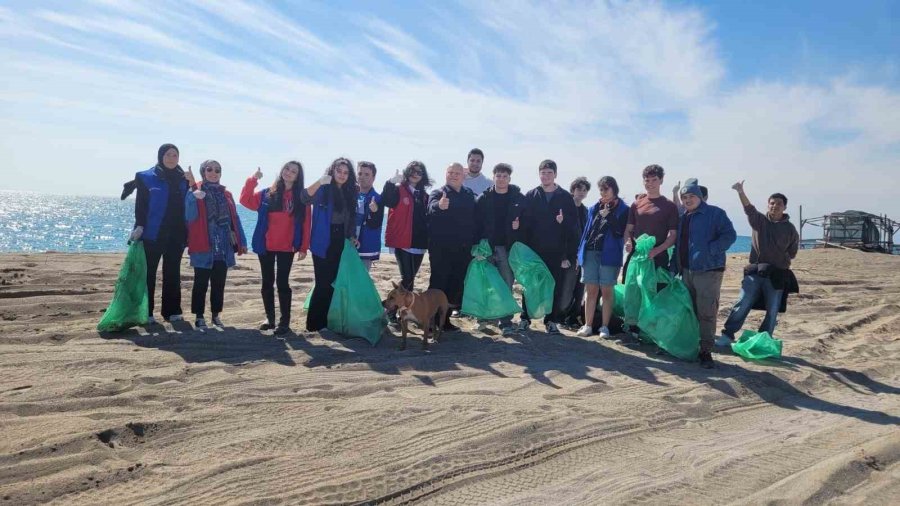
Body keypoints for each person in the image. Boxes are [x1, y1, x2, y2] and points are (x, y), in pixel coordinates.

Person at [718, 182, 799, 346]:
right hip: (756, 272)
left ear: (784, 207)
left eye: (779, 204)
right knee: (743, 303)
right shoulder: (759, 221)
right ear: (768, 205)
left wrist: (779, 259)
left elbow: (792, 252)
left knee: (773, 309)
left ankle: (764, 339)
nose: (775, 206)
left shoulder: (790, 229)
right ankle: (728, 335)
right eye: (772, 203)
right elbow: (749, 208)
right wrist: (740, 191)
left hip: (777, 275)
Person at [671, 178, 736, 368]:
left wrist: (711, 250)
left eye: (691, 196)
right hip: (686, 271)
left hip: (709, 271)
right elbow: (678, 245)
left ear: (700, 197)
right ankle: (691, 346)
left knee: (706, 312)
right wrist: (675, 266)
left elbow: (729, 235)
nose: (687, 200)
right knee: (689, 311)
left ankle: (706, 351)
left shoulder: (715, 213)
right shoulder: (683, 218)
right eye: (684, 197)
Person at [241, 161, 311, 335]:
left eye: (293, 171)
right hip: (266, 245)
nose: (289, 172)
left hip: (287, 247)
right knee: (267, 282)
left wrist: (303, 247)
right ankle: (270, 319)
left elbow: (306, 223)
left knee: (282, 283)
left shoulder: (301, 198)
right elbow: (245, 200)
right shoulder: (267, 193)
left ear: (297, 176)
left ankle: (284, 322)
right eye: (287, 169)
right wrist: (253, 180)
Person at [515, 159, 579, 334]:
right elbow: (524, 225)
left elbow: (574, 228)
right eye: (543, 173)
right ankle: (524, 319)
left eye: (549, 173)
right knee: (530, 285)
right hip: (533, 250)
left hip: (556, 251)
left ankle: (551, 321)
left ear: (555, 175)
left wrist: (563, 223)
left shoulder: (565, 198)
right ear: (539, 174)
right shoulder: (531, 195)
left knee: (554, 286)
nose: (545, 176)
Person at [130, 143, 191, 324]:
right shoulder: (146, 177)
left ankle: (172, 311)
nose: (172, 158)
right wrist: (139, 226)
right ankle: (146, 312)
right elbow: (140, 205)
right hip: (152, 233)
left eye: (175, 155)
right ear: (161, 156)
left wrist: (192, 183)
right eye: (168, 155)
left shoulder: (185, 178)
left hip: (177, 234)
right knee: (148, 274)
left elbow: (192, 204)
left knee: (172, 273)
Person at [185, 160, 247, 329]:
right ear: (202, 172)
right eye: (209, 169)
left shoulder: (226, 194)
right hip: (204, 244)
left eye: (217, 170)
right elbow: (189, 216)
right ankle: (199, 316)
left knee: (219, 283)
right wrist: (192, 194)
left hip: (224, 245)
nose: (213, 173)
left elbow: (235, 218)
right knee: (201, 283)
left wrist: (242, 240)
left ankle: (215, 315)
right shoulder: (195, 190)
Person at [301, 158, 360, 333]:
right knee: (322, 282)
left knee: (332, 282)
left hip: (340, 240)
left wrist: (352, 237)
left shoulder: (351, 192)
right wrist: (320, 181)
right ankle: (314, 324)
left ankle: (326, 321)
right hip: (322, 239)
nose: (342, 175)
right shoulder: (324, 189)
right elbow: (304, 198)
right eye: (339, 171)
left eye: (345, 172)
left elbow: (351, 219)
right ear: (332, 172)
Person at [575, 176, 629, 338]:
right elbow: (586, 232)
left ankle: (604, 327)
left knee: (607, 290)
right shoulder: (594, 208)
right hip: (591, 251)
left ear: (614, 189)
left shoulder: (623, 209)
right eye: (601, 189)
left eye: (606, 189)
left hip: (610, 254)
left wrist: (609, 216)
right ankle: (587, 325)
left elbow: (620, 232)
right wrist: (580, 254)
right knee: (590, 290)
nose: (603, 192)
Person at [473, 163, 524, 335]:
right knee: (485, 284)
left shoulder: (518, 198)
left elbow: (529, 222)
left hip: (507, 248)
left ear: (509, 178)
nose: (501, 179)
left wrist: (519, 226)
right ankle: (482, 319)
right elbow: (475, 225)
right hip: (487, 247)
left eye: (505, 176)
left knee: (506, 284)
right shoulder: (483, 198)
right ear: (493, 177)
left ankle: (505, 321)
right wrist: (477, 247)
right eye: (498, 176)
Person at [428, 163, 477, 332]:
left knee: (456, 286)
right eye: (450, 172)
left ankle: (445, 319)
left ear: (464, 176)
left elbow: (477, 217)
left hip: (463, 249)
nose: (454, 175)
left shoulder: (469, 194)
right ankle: (431, 320)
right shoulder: (438, 193)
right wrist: (439, 206)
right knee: (438, 284)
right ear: (446, 174)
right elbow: (431, 207)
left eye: (457, 173)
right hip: (441, 249)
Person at [381, 161, 432, 293]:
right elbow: (386, 200)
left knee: (410, 280)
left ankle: (401, 309)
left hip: (419, 243)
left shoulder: (425, 196)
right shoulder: (398, 189)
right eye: (412, 171)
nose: (415, 174)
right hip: (402, 241)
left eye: (419, 172)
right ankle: (392, 309)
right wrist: (391, 182)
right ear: (407, 173)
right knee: (407, 278)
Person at [623, 164, 679, 283]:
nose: (650, 184)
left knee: (656, 295)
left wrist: (657, 250)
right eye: (647, 180)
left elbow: (673, 235)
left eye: (654, 180)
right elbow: (629, 230)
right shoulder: (636, 204)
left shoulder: (670, 206)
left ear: (661, 180)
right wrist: (628, 242)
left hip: (658, 258)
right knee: (633, 293)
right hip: (636, 256)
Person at [560, 177, 591, 329]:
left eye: (584, 190)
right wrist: (563, 256)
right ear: (573, 190)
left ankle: (573, 317)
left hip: (582, 255)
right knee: (566, 288)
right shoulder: (564, 209)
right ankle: (561, 316)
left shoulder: (586, 211)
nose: (582, 192)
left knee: (580, 289)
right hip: (568, 255)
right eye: (579, 189)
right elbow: (560, 235)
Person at [355, 161, 384, 272]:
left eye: (367, 174)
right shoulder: (349, 195)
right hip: (348, 246)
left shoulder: (378, 198)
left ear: (373, 177)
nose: (362, 177)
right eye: (360, 173)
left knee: (361, 281)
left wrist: (375, 211)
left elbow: (376, 224)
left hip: (366, 248)